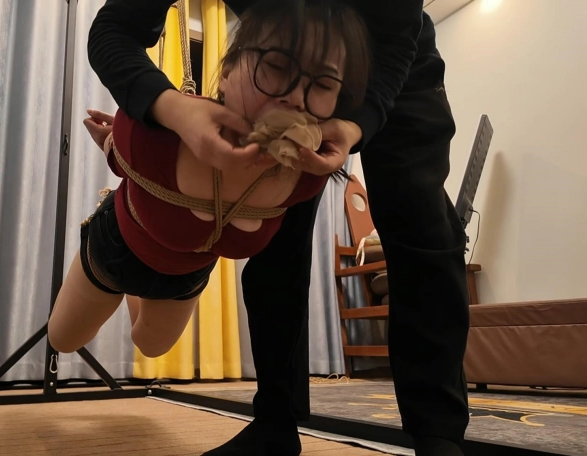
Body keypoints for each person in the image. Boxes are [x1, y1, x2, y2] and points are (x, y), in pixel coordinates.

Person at [87, 1, 470, 456]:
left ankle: (438, 437)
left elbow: (396, 37)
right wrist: (172, 109)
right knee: (275, 238)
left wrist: (357, 122)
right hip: (280, 54)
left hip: (393, 63)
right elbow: (113, 29)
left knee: (422, 226)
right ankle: (274, 423)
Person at [47, 0, 371, 362]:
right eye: (277, 66)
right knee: (63, 339)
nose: (296, 98)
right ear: (227, 72)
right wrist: (114, 140)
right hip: (115, 251)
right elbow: (125, 156)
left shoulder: (310, 176)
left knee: (152, 347)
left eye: (323, 83)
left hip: (186, 277)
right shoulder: (157, 129)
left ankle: (139, 293)